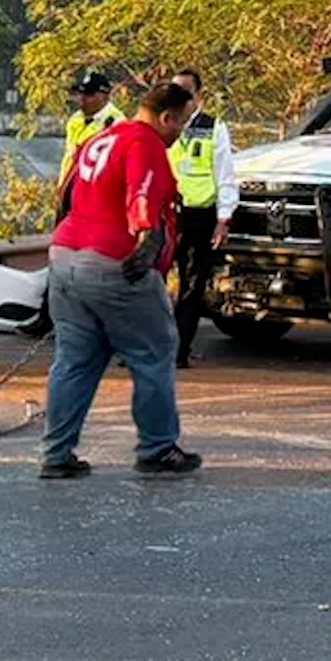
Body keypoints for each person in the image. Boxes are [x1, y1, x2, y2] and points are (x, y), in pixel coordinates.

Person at [38, 80, 202, 480]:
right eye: (180, 124)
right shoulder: (145, 144)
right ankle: (158, 448)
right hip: (114, 260)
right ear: (166, 117)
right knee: (154, 350)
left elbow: (67, 193)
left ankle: (56, 454)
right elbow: (143, 196)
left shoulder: (103, 137)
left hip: (66, 254)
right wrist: (146, 243)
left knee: (74, 359)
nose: (179, 133)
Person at [167, 69, 239, 369]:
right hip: (167, 212)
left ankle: (179, 350)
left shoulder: (213, 128)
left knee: (191, 284)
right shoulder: (163, 124)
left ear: (199, 96)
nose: (180, 98)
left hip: (199, 215)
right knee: (150, 281)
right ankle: (143, 346)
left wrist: (223, 218)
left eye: (186, 92)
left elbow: (225, 175)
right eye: (175, 91)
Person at [57, 70, 125, 187]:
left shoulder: (117, 123)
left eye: (89, 94)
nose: (82, 98)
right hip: (71, 188)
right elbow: (69, 157)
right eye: (81, 93)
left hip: (94, 193)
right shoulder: (76, 119)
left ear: (104, 96)